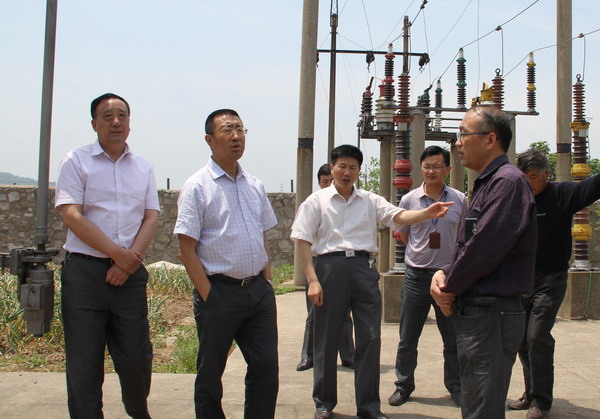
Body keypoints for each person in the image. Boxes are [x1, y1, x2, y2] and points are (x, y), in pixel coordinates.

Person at [291, 144, 453, 419]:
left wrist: (427, 213)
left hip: (363, 269)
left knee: (370, 338)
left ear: (359, 171)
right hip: (328, 269)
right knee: (327, 338)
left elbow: (398, 216)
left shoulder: (370, 200)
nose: (347, 172)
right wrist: (312, 280)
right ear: (332, 168)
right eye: (342, 166)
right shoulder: (316, 201)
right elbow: (302, 240)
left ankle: (368, 407)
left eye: (353, 168)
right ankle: (324, 403)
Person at [55, 93, 160, 419]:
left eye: (122, 116)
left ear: (129, 123)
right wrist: (117, 254)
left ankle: (138, 411)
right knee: (84, 363)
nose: (116, 122)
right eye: (108, 116)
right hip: (85, 275)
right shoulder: (76, 160)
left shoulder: (143, 167)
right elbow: (71, 215)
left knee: (136, 358)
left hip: (129, 277)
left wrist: (129, 262)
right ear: (94, 123)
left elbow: (151, 217)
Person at [430, 106, 537, 419]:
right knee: (476, 403)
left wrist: (448, 286)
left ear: (490, 139)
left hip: (492, 312)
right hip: (481, 310)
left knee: (482, 409)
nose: (458, 142)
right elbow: (469, 244)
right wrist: (444, 271)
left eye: (463, 134)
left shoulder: (508, 183)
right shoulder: (488, 183)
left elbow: (485, 248)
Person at [174, 109, 278, 419]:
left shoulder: (254, 184)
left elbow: (262, 236)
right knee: (211, 372)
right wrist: (209, 295)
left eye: (240, 129)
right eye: (227, 130)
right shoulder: (197, 186)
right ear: (209, 140)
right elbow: (186, 249)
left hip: (257, 292)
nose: (236, 136)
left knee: (265, 367)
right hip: (219, 293)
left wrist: (267, 283)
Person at [506, 149, 600, 419]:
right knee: (522, 340)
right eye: (524, 177)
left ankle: (541, 402)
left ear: (547, 174)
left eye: (534, 177)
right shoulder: (515, 198)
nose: (529, 183)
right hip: (521, 279)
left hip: (551, 279)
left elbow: (594, 185)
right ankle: (530, 393)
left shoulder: (562, 194)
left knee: (537, 336)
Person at [388, 146, 466, 408]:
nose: (431, 171)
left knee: (452, 338)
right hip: (416, 277)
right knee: (408, 338)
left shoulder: (459, 199)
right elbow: (404, 235)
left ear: (448, 169)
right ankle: (403, 385)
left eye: (437, 166)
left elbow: (464, 237)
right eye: (427, 166)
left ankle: (456, 387)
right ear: (420, 169)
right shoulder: (409, 200)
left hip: (448, 279)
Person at [297, 163, 355, 372]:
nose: (329, 184)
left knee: (344, 313)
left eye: (331, 180)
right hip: (318, 264)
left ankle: (348, 355)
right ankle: (308, 355)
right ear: (319, 182)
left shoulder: (347, 205)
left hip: (342, 265)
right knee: (315, 312)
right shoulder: (312, 204)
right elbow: (302, 239)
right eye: (325, 182)